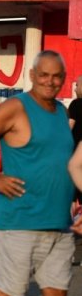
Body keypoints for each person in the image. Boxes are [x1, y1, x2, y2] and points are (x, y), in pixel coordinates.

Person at [0, 50, 75, 296]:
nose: (50, 81)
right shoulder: (17, 107)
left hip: (59, 223)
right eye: (44, 75)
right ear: (32, 75)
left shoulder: (61, 111)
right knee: (7, 294)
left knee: (57, 295)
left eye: (56, 76)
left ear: (64, 78)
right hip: (20, 222)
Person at [67, 75, 82, 203]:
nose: (75, 89)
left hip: (76, 154)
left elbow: (68, 127)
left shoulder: (76, 104)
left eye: (77, 85)